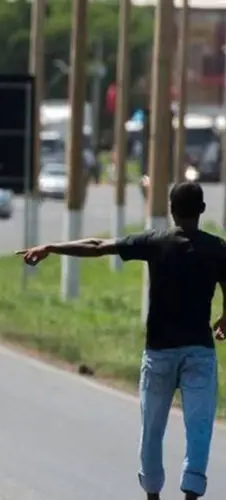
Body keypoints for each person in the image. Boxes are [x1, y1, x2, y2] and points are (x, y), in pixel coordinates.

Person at [17, 181, 224, 500]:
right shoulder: (217, 248)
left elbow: (98, 245)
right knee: (199, 429)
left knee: (151, 431)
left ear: (170, 209)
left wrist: (51, 247)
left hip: (159, 353)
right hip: (199, 351)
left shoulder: (155, 242)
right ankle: (192, 494)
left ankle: (152, 495)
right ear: (202, 210)